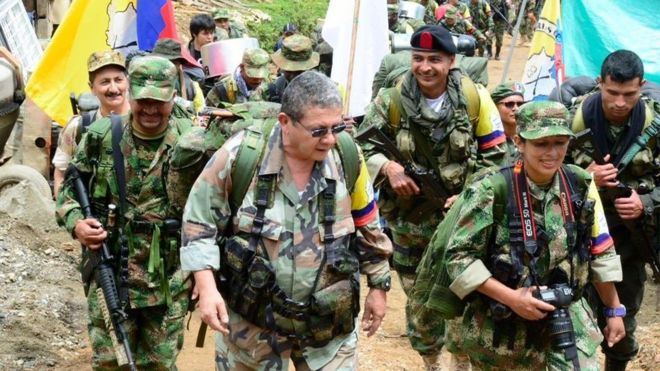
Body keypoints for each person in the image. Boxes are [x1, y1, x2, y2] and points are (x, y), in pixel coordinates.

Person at [181, 71, 392, 370]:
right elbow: (198, 222)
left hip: (327, 330)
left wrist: (379, 286)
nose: (330, 139)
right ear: (285, 123)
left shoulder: (347, 156)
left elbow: (368, 226)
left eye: (337, 127)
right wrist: (207, 287)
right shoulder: (241, 156)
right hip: (253, 330)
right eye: (319, 130)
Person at [436, 101, 625, 369]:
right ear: (519, 142)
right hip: (503, 329)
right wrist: (513, 298)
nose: (552, 152)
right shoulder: (492, 190)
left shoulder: (579, 183)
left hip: (568, 318)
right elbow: (458, 259)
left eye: (560, 142)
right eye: (540, 144)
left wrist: (614, 309)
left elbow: (598, 249)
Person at [359, 24, 506, 368]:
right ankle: (431, 362)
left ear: (451, 61)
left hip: (463, 221)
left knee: (466, 294)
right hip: (411, 224)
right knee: (421, 302)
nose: (425, 67)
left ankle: (461, 362)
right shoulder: (391, 99)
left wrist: (470, 195)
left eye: (434, 60)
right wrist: (387, 168)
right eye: (418, 58)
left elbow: (496, 156)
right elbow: (361, 146)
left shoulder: (475, 97)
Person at [55, 56, 193, 369]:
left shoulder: (191, 142)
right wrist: (78, 224)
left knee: (160, 364)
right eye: (142, 100)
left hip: (169, 280)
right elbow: (67, 192)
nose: (150, 109)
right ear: (131, 96)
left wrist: (204, 271)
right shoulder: (101, 136)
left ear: (173, 96)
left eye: (159, 101)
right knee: (109, 363)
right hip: (112, 270)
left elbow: (214, 208)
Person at [567, 50, 660, 371]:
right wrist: (584, 177)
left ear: (642, 87)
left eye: (630, 94)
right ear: (599, 84)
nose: (620, 103)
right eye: (613, 93)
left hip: (630, 245)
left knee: (623, 323)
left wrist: (644, 204)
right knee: (577, 322)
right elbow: (537, 173)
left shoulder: (655, 125)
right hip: (577, 243)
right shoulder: (572, 120)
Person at [52, 50, 130, 197]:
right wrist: (71, 217)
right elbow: (61, 175)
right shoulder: (78, 127)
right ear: (92, 87)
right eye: (105, 82)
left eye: (118, 80)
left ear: (127, 82)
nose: (113, 88)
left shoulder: (144, 121)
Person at [254, 34, 319, 103]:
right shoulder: (272, 90)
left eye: (299, 71)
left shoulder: (322, 90)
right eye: (290, 71)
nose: (294, 76)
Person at [151, 38, 205, 115]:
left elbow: (200, 112)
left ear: (179, 64)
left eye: (173, 62)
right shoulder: (142, 81)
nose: (167, 66)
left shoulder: (191, 86)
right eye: (162, 62)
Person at [205, 48, 270, 107]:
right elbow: (207, 114)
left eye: (261, 75)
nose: (258, 80)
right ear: (242, 67)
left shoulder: (269, 86)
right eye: (253, 75)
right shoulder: (223, 89)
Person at [491, 81, 525, 163]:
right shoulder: (488, 139)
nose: (516, 108)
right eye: (509, 104)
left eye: (520, 104)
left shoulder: (530, 137)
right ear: (495, 107)